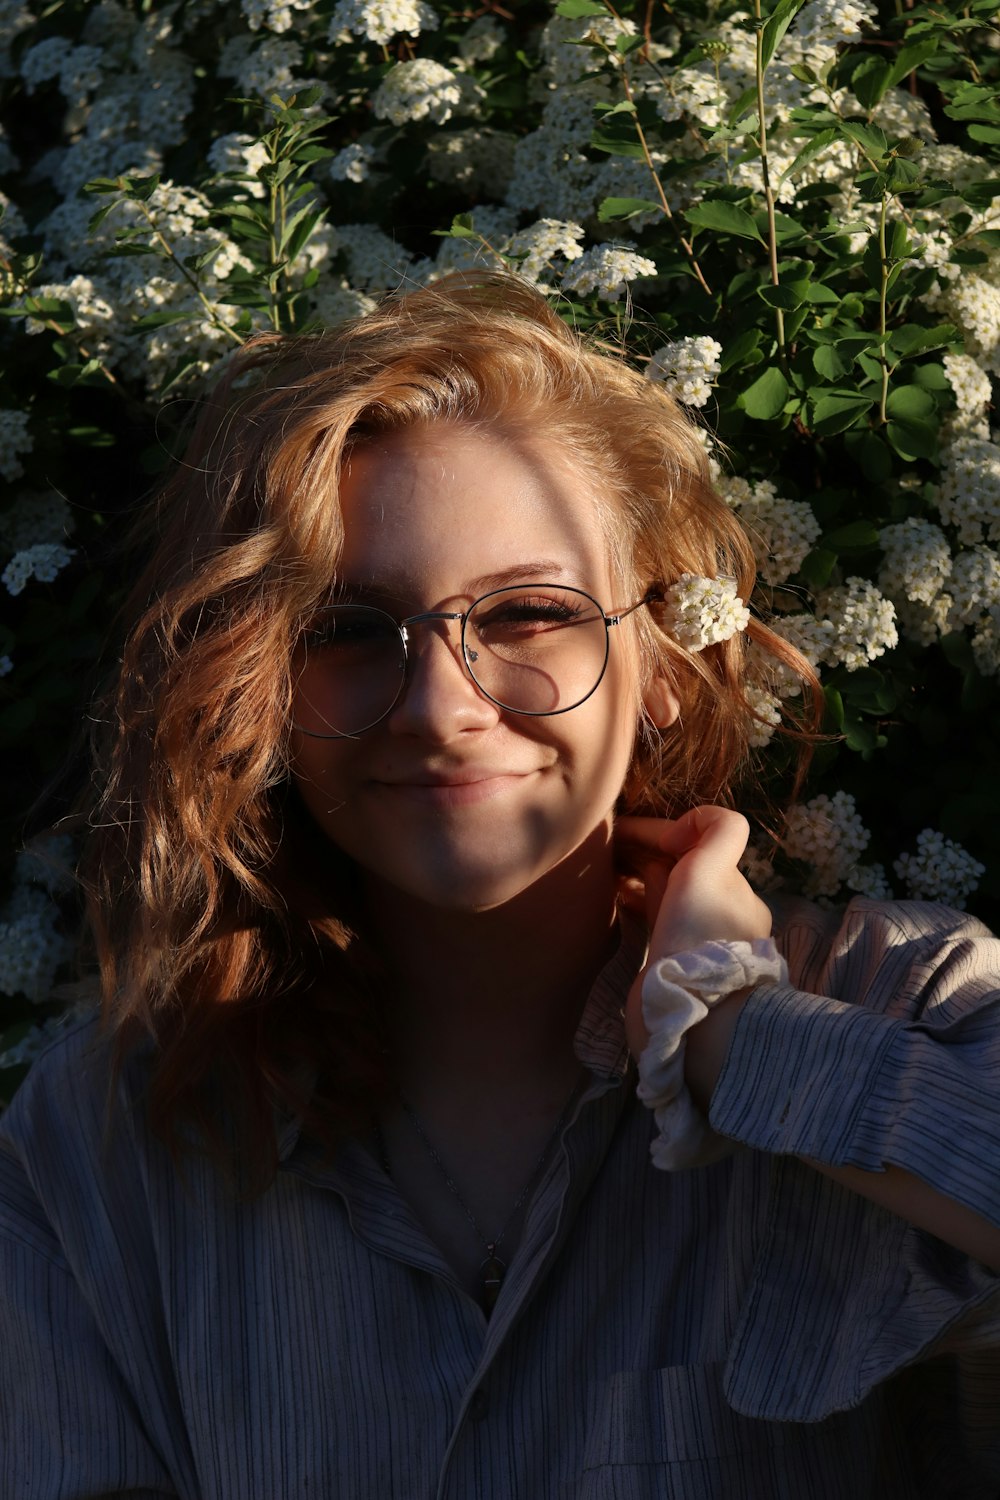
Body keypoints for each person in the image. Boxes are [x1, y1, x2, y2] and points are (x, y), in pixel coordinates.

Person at [1, 272, 999, 1500]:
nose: (439, 709)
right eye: (346, 630)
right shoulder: (105, 1141)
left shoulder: (907, 1003)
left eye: (529, 614)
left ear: (665, 663)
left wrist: (739, 1040)